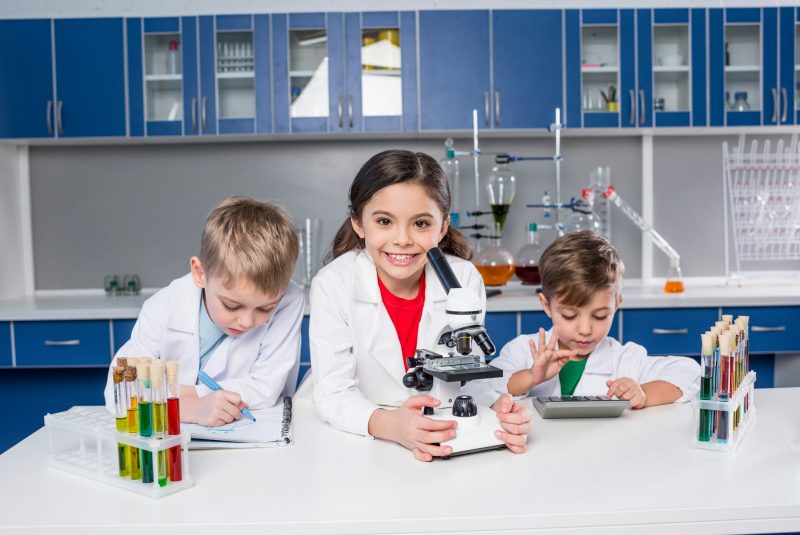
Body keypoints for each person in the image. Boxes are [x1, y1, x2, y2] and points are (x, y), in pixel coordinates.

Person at [308, 149, 531, 462]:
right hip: (361, 441)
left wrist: (500, 409)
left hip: (436, 432)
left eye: (421, 224)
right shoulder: (333, 285)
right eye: (384, 221)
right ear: (358, 223)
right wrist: (392, 426)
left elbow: (466, 374)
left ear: (442, 228)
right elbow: (333, 393)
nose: (402, 239)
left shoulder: (463, 279)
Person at [103, 196, 304, 426]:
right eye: (231, 305)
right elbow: (118, 392)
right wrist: (188, 409)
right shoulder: (164, 307)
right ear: (200, 273)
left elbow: (265, 388)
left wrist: (183, 394)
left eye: (265, 308)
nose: (247, 321)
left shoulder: (289, 300)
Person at [490, 231, 699, 407]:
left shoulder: (625, 359)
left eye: (600, 316)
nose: (585, 329)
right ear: (546, 305)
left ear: (616, 305)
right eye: (569, 315)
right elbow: (480, 389)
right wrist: (530, 377)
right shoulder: (522, 351)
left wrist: (643, 394)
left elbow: (690, 373)